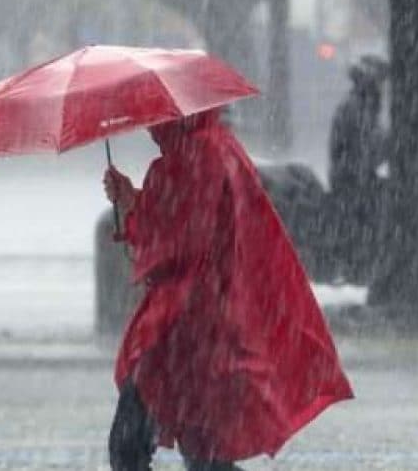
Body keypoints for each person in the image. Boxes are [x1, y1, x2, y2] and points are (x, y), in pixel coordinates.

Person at [103, 109, 353, 471]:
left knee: (130, 447)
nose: (146, 124)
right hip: (216, 328)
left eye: (153, 115)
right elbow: (195, 221)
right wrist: (136, 201)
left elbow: (177, 243)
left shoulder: (190, 157)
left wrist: (131, 211)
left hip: (182, 332)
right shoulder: (219, 147)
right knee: (206, 457)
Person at [326, 55, 389, 279]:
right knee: (365, 223)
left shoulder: (359, 105)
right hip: (352, 180)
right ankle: (359, 269)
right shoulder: (357, 108)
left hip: (353, 177)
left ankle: (359, 266)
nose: (383, 87)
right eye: (381, 81)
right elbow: (365, 148)